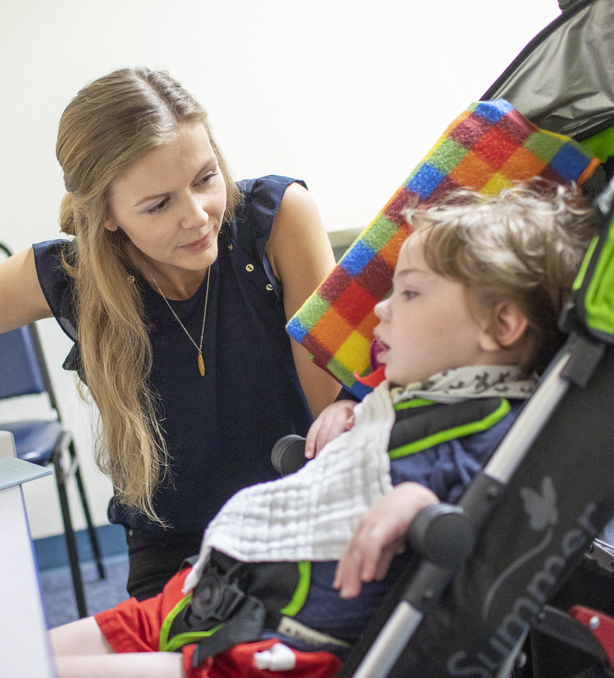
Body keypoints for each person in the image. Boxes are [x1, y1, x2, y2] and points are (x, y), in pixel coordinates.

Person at [0, 67, 340, 599]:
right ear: (109, 215)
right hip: (175, 545)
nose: (197, 216)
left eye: (206, 178)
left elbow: (332, 417)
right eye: (159, 204)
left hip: (300, 514)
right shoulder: (73, 275)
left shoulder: (276, 221)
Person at [49, 183, 596, 678]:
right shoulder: (413, 399)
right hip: (219, 598)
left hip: (271, 649)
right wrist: (350, 412)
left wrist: (412, 500)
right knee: (26, 654)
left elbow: (489, 500)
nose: (380, 310)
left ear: (500, 326)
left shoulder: (498, 425)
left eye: (409, 293)